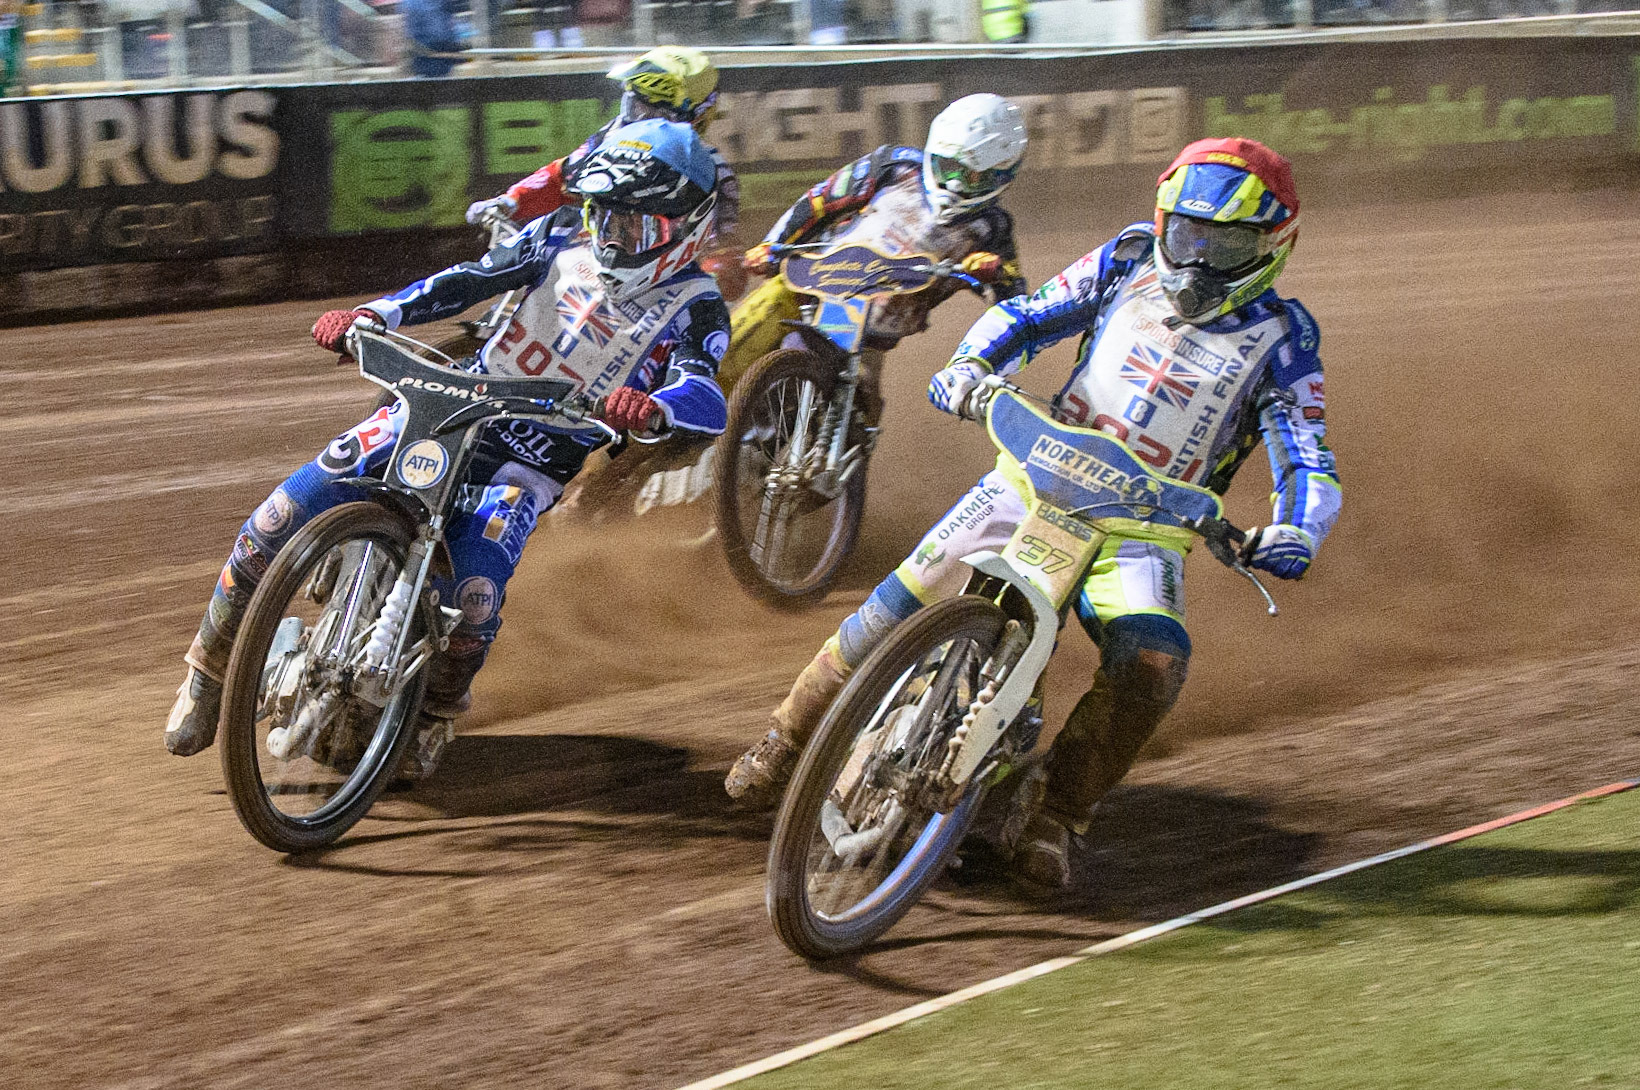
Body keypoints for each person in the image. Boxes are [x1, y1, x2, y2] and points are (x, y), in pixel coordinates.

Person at [724, 137, 1341, 890]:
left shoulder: (1284, 340)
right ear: (1164, 221)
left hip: (1142, 528)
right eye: (1189, 235)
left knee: (1154, 663)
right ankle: (785, 737)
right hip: (1033, 474)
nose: (1202, 259)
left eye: (1228, 242)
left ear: (1273, 245)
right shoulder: (1125, 260)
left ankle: (1054, 816)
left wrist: (1297, 530)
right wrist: (971, 368)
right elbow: (1030, 313)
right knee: (896, 602)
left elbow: (1307, 454)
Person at [164, 119, 732, 780]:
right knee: (274, 521)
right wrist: (376, 315)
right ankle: (206, 671)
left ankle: (437, 705)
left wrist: (658, 405)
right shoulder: (555, 239)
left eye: (633, 226)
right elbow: (468, 280)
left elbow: (706, 392)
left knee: (477, 591)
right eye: (603, 216)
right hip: (444, 409)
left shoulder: (697, 306)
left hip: (528, 465)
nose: (611, 237)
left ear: (686, 224)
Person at [719, 92, 1030, 411]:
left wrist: (992, 274)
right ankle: (683, 413)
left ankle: (832, 455)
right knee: (732, 346)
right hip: (808, 285)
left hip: (873, 330)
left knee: (864, 406)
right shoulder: (893, 166)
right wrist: (772, 244)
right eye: (950, 167)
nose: (956, 184)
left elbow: (1016, 304)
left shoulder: (992, 228)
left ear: (1003, 176)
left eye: (976, 178)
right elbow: (819, 201)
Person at [465, 46, 747, 301]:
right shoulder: (613, 138)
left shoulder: (712, 174)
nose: (641, 120)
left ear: (694, 117)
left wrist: (718, 268)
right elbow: (562, 177)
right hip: (587, 265)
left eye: (655, 113)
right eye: (637, 106)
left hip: (651, 295)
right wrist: (511, 201)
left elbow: (719, 252)